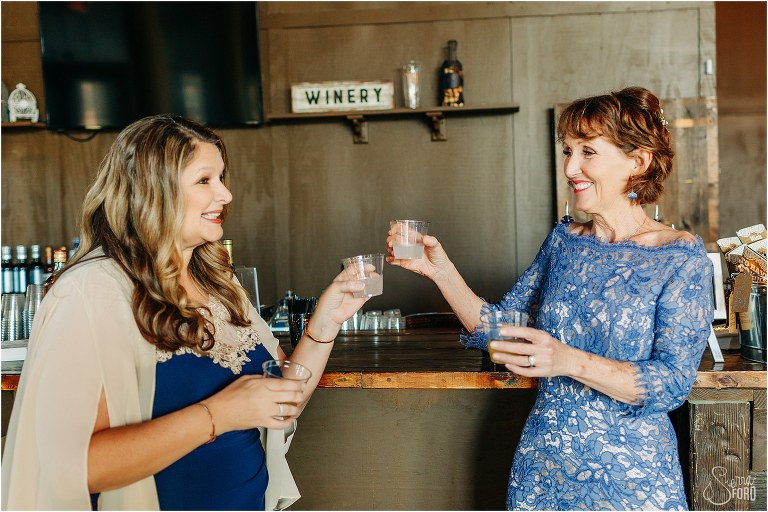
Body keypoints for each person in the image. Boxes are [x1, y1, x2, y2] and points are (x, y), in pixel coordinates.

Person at [1, 114, 369, 510]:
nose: (226, 195)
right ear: (152, 192)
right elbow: (72, 465)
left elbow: (283, 401)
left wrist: (324, 324)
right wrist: (219, 414)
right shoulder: (91, 292)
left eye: (222, 178)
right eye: (205, 180)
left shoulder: (219, 285)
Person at [387, 87, 713, 510]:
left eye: (588, 152)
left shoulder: (679, 256)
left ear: (638, 161)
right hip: (543, 469)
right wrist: (440, 271)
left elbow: (671, 384)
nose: (571, 167)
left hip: (634, 477)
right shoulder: (563, 242)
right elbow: (498, 328)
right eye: (567, 151)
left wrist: (567, 360)